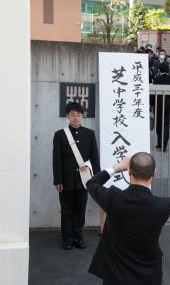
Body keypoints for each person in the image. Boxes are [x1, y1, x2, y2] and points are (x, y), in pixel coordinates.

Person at [87, 153, 170, 285]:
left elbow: (91, 183)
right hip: (149, 275)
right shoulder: (164, 205)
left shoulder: (114, 199)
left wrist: (117, 167)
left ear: (129, 172)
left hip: (116, 275)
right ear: (154, 173)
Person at [53, 102, 100, 250]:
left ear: (82, 116)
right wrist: (58, 180)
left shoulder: (89, 134)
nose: (76, 118)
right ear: (67, 116)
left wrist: (96, 179)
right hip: (65, 180)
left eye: (79, 115)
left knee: (80, 210)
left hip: (84, 180)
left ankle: (78, 237)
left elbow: (95, 158)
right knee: (66, 210)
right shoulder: (60, 135)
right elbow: (56, 159)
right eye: (72, 114)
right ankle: (67, 239)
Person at [153, 63, 170, 152]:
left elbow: (153, 94)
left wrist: (152, 104)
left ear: (159, 70)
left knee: (159, 124)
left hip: (158, 105)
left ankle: (159, 143)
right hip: (169, 106)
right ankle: (164, 145)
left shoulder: (156, 79)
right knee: (167, 125)